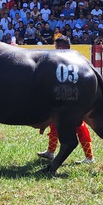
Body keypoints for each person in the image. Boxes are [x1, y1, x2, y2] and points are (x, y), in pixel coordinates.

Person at [37, 36, 95, 164]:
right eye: (56, 47)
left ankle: (90, 157)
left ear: (63, 48)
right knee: (53, 125)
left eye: (58, 47)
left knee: (79, 127)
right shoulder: (57, 61)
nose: (56, 50)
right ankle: (50, 152)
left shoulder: (75, 61)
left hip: (72, 101)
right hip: (58, 100)